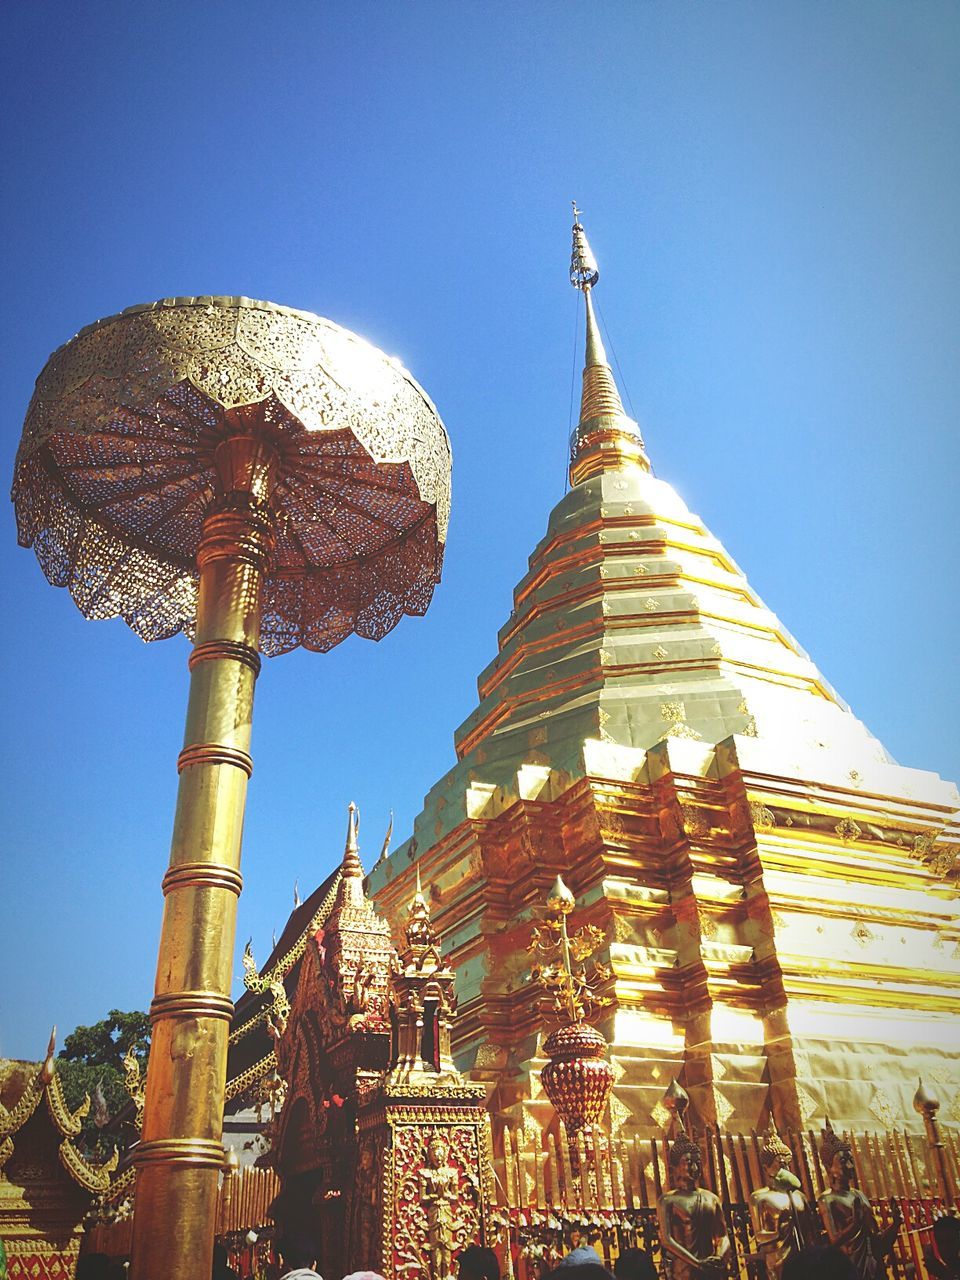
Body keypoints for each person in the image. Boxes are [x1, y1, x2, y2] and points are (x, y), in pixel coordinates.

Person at [817, 1122, 900, 1280]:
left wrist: (895, 1224)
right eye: (843, 1162)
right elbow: (834, 1240)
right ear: (829, 1168)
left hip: (874, 1266)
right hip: (850, 1267)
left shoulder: (860, 1196)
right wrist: (855, 1224)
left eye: (851, 1160)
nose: (850, 1166)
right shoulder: (827, 1200)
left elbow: (876, 1240)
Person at [657, 1129, 730, 1280]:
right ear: (675, 1166)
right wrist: (697, 1263)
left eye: (698, 1163)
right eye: (689, 1163)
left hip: (711, 1268)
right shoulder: (668, 1201)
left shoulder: (711, 1198)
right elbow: (667, 1240)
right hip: (685, 1271)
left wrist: (719, 1257)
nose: (695, 1168)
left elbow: (722, 1235)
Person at [750, 1123, 818, 1280]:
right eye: (781, 1164)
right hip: (778, 1258)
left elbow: (809, 1231)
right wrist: (781, 1230)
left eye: (787, 1163)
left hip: (803, 1255)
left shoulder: (799, 1196)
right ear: (766, 1168)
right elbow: (759, 1236)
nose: (786, 1168)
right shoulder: (760, 1198)